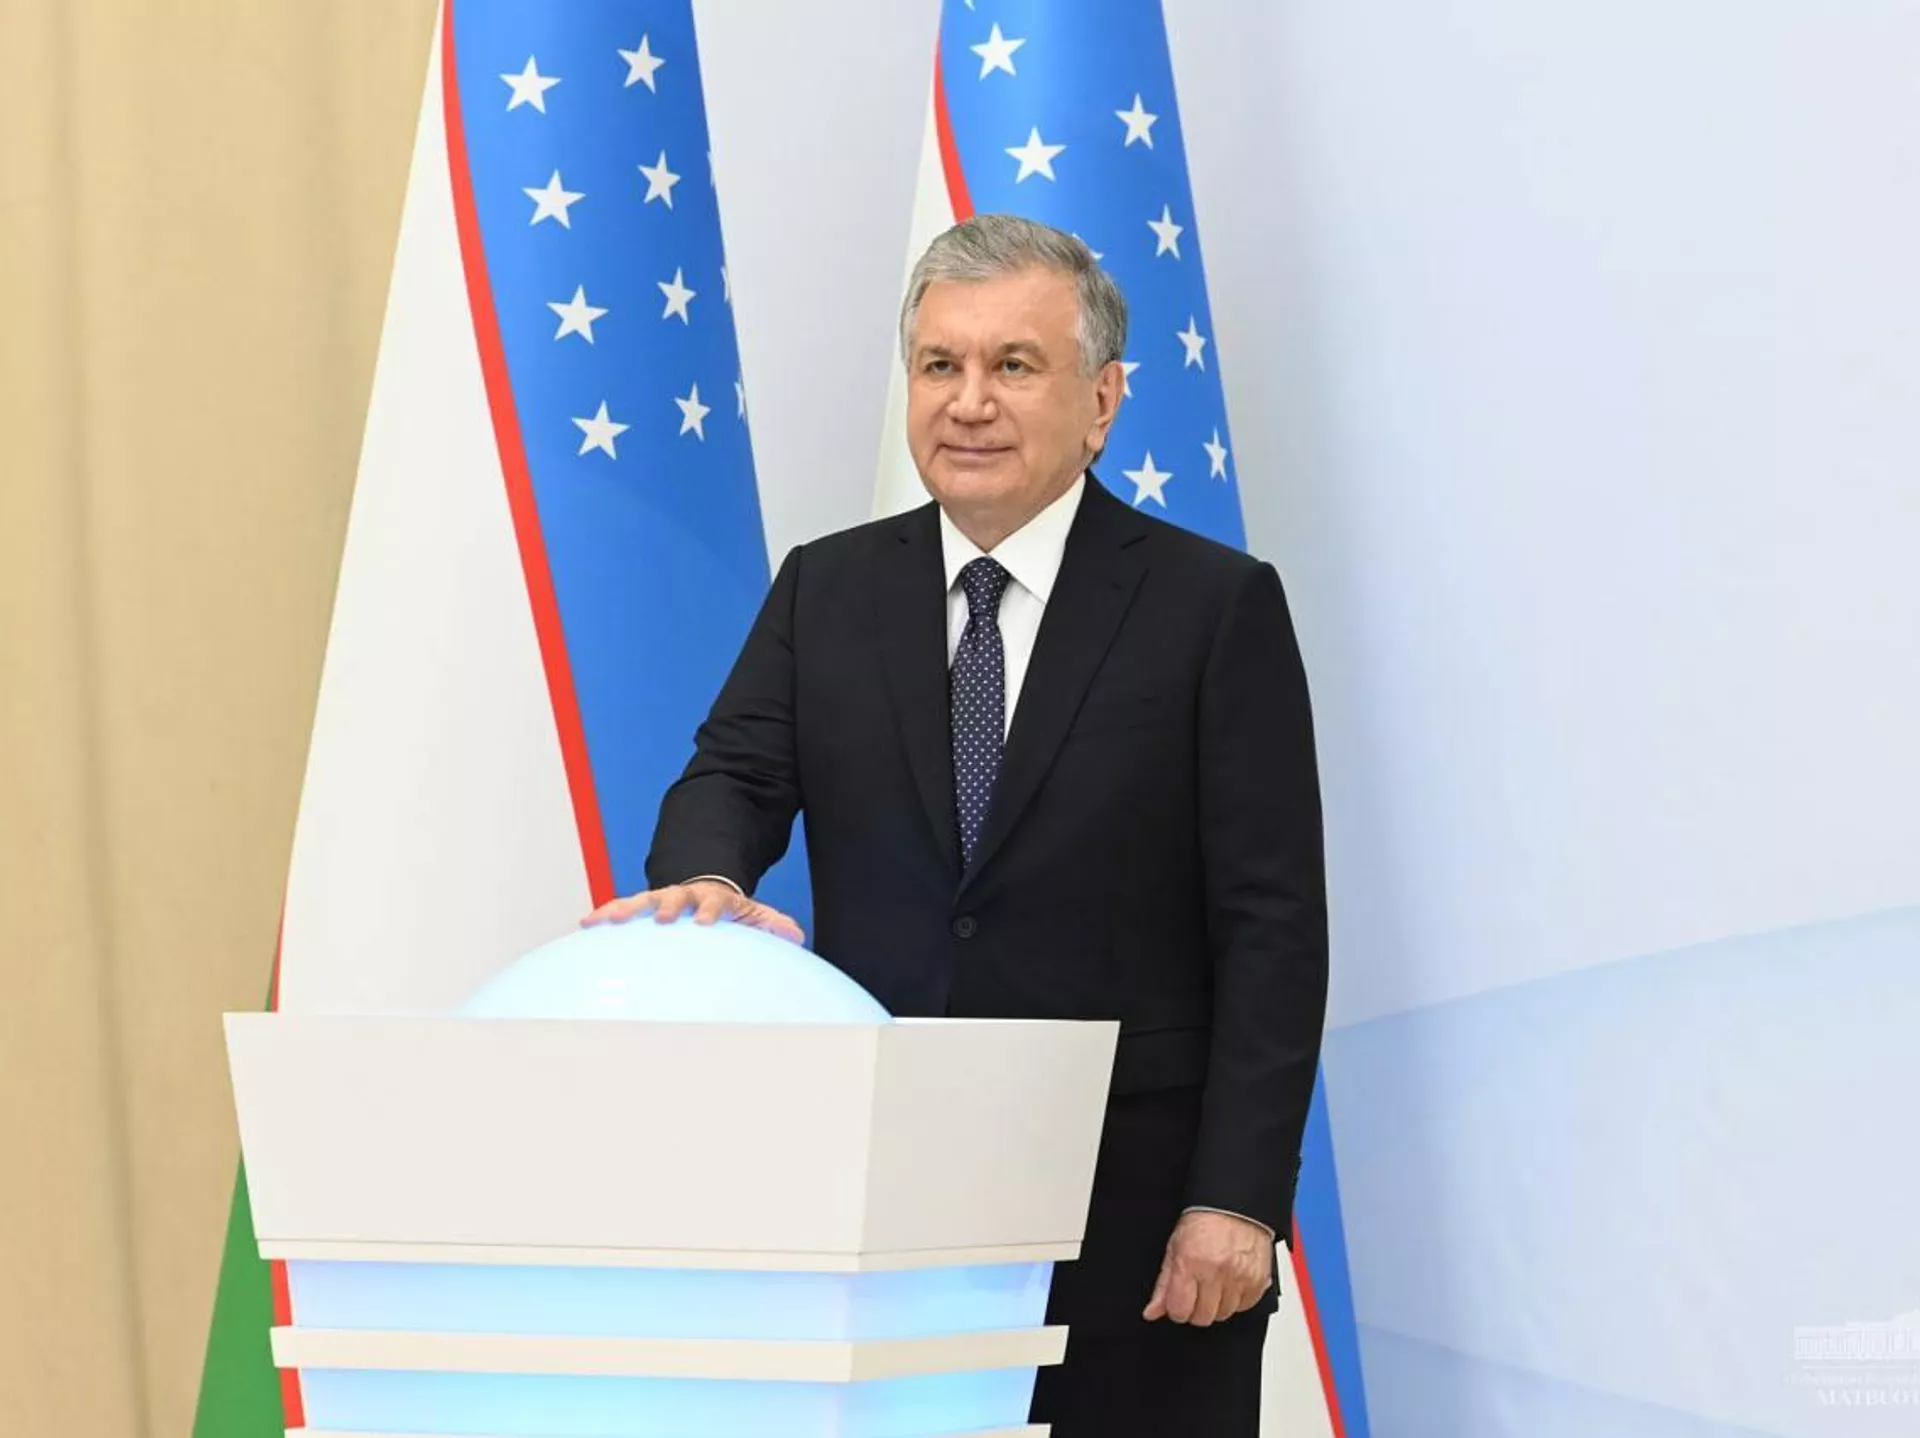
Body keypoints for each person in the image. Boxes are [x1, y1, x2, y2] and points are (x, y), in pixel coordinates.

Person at [585, 213, 1328, 1435]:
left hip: (1136, 1215)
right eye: (941, 364)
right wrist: (711, 878)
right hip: (883, 1210)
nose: (969, 401)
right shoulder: (828, 588)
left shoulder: (1214, 607)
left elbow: (1274, 926)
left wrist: (1237, 1200)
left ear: (1102, 400)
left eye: (1013, 365)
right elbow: (730, 778)